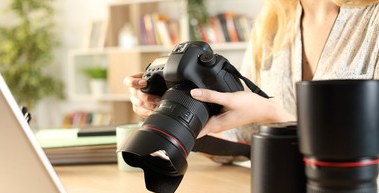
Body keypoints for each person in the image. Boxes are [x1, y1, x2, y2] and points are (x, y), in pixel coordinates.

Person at [123, 0, 379, 158]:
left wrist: (275, 118)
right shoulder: (272, 23)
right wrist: (176, 110)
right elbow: (242, 138)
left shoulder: (373, 19)